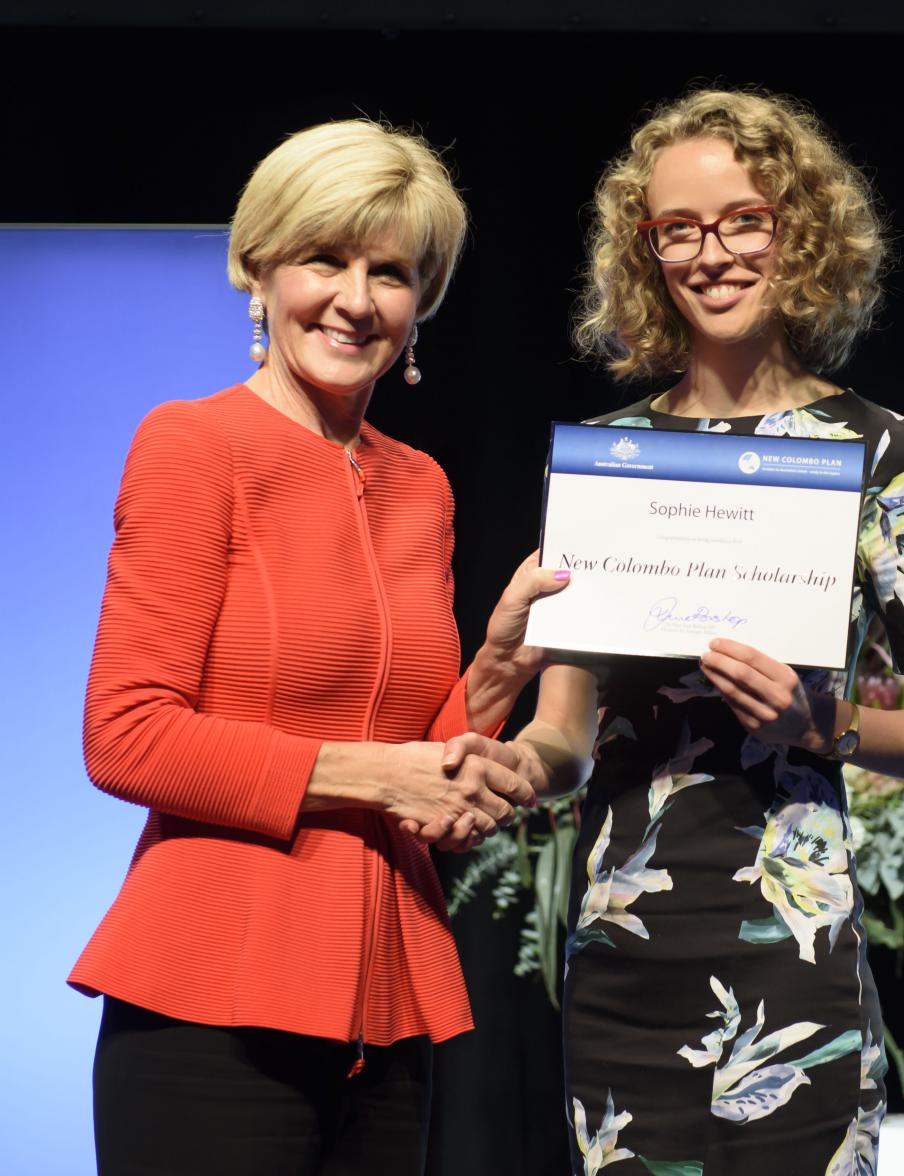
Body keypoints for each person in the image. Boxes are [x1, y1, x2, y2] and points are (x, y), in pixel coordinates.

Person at [504, 89, 904, 1173]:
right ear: (647, 250)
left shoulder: (885, 453)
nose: (711, 253)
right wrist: (492, 763)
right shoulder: (602, 459)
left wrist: (830, 724)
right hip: (623, 967)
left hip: (793, 964)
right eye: (679, 228)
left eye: (744, 220)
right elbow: (563, 740)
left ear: (800, 229)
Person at [69, 119, 566, 1176]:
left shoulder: (419, 485)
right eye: (323, 259)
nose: (355, 297)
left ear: (422, 304)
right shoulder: (190, 447)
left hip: (384, 1001)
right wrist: (372, 776)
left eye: (391, 271)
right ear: (258, 269)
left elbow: (410, 759)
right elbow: (126, 736)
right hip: (212, 996)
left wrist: (497, 672)